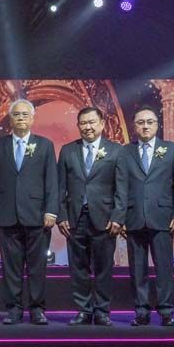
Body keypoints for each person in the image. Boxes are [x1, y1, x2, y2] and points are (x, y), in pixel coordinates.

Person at [0, 99, 58, 325]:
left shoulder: (45, 145)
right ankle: (13, 309)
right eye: (16, 114)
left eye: (24, 114)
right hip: (7, 215)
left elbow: (52, 180)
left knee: (37, 266)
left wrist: (51, 211)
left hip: (37, 216)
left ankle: (37, 309)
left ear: (32, 118)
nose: (20, 118)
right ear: (10, 118)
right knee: (10, 267)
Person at [57, 107, 126, 326]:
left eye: (92, 122)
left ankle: (102, 310)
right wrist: (61, 216)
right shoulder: (68, 151)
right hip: (75, 218)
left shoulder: (116, 150)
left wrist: (118, 216)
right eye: (83, 123)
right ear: (78, 126)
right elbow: (60, 187)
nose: (88, 127)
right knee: (78, 267)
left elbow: (122, 187)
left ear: (102, 124)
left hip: (105, 219)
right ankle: (83, 310)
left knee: (104, 267)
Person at [123, 107, 174, 326]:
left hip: (163, 217)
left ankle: (166, 311)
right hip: (133, 217)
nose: (145, 126)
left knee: (164, 268)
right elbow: (120, 186)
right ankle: (141, 311)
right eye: (141, 122)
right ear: (134, 126)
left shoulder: (171, 149)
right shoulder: (125, 151)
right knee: (137, 270)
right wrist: (120, 217)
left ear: (157, 125)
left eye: (150, 122)